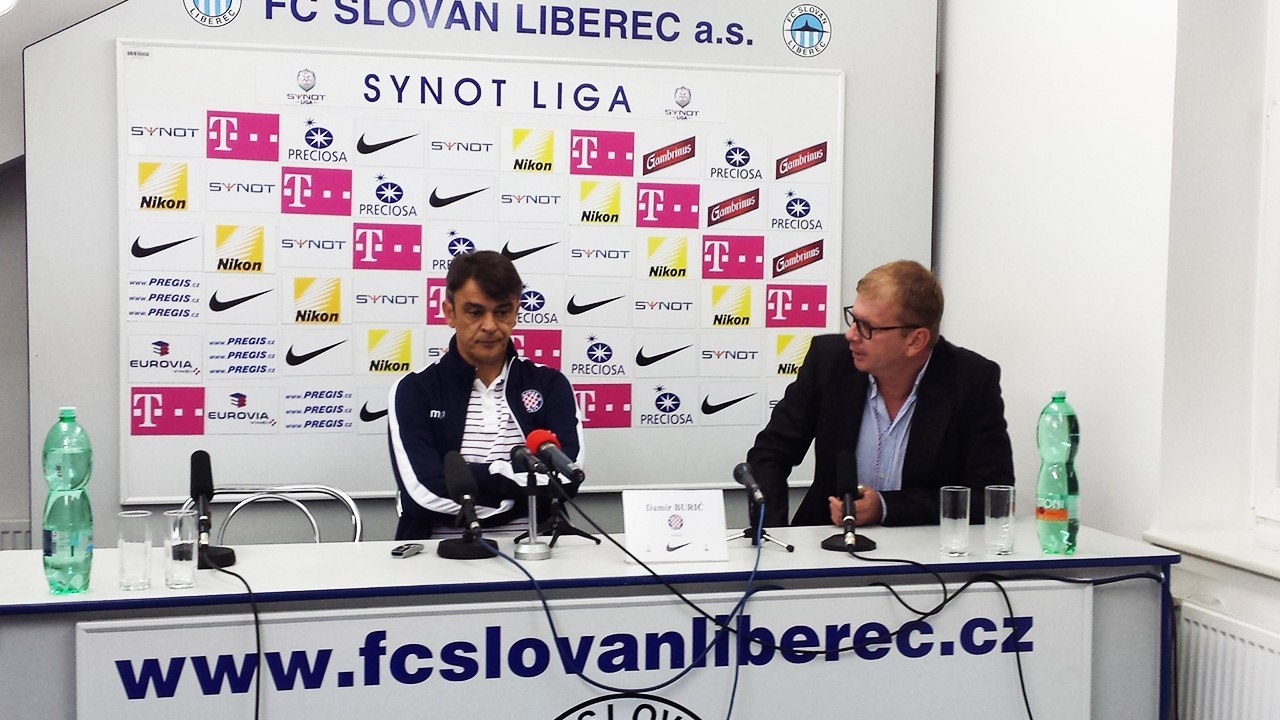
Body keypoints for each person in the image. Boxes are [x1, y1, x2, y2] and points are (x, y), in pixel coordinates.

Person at [746, 259, 1013, 528]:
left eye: (867, 327)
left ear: (915, 340)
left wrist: (886, 507)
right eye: (853, 319)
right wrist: (770, 533)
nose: (851, 335)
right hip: (825, 537)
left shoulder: (971, 381)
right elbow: (769, 455)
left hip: (921, 544)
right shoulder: (828, 362)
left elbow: (992, 496)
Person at [387, 250, 583, 540]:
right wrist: (521, 492)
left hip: (540, 551)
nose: (490, 326)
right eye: (475, 312)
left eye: (502, 312)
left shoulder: (550, 384)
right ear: (450, 313)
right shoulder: (414, 390)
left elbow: (567, 476)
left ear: (516, 312)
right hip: (440, 556)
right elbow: (424, 494)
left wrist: (472, 478)